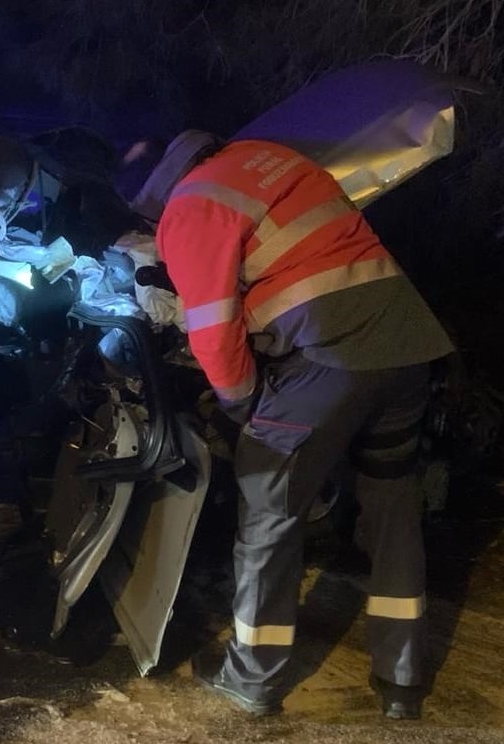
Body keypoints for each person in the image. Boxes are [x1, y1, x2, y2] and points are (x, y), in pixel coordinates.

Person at [133, 131, 454, 719]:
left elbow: (212, 331)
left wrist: (239, 407)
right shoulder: (275, 159)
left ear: (155, 187)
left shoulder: (190, 205)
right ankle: (402, 678)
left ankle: (250, 681)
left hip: (326, 355)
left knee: (267, 511)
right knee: (392, 505)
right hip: (407, 343)